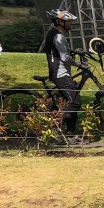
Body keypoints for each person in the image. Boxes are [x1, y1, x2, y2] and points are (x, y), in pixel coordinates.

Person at [43, 9, 81, 140]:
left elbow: (62, 51)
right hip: (60, 74)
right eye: (68, 21)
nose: (71, 23)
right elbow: (64, 58)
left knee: (67, 103)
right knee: (75, 103)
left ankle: (70, 134)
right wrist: (79, 65)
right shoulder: (58, 36)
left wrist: (74, 51)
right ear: (60, 22)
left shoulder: (56, 34)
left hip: (61, 73)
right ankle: (52, 127)